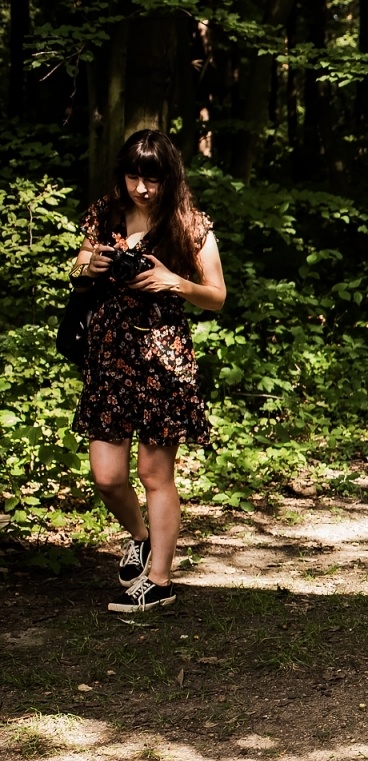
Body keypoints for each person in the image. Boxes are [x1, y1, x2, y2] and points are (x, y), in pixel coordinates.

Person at [70, 129, 228, 614]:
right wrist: (90, 265)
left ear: (169, 178)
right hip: (109, 358)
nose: (141, 188)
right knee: (107, 476)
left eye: (152, 179)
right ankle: (141, 538)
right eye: (133, 177)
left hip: (163, 359)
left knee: (154, 473)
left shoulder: (190, 224)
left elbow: (217, 296)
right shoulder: (106, 213)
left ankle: (159, 581)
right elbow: (76, 265)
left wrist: (172, 281)